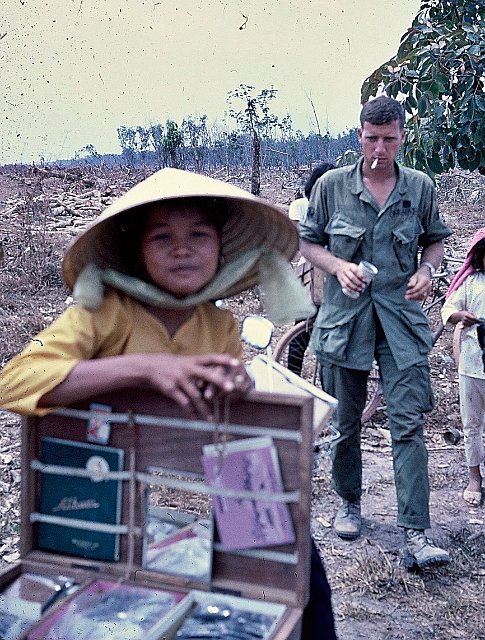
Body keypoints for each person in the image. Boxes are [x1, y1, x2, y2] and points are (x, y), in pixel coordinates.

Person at [0, 168, 336, 639]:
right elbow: (14, 382)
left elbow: (227, 422)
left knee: (292, 567)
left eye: (199, 234)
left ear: (222, 248)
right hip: (104, 482)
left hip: (213, 473)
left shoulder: (216, 325)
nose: (183, 248)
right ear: (137, 252)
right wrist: (144, 368)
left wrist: (237, 389)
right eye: (162, 237)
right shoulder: (102, 315)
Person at [298, 95, 452, 569]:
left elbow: (435, 242)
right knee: (345, 425)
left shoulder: (420, 188)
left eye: (389, 139)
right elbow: (308, 240)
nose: (379, 149)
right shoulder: (331, 187)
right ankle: (349, 504)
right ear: (359, 135)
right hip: (345, 323)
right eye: (371, 138)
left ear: (402, 137)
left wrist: (428, 272)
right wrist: (337, 266)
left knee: (408, 426)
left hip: (401, 324)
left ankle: (417, 532)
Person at [441, 227, 485, 507]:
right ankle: (474, 476)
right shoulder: (472, 284)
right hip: (472, 362)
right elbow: (449, 309)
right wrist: (461, 316)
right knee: (472, 424)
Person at [287, 162, 336, 375]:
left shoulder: (340, 208)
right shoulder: (301, 206)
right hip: (310, 273)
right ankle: (292, 379)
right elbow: (302, 239)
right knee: (302, 330)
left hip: (334, 271)